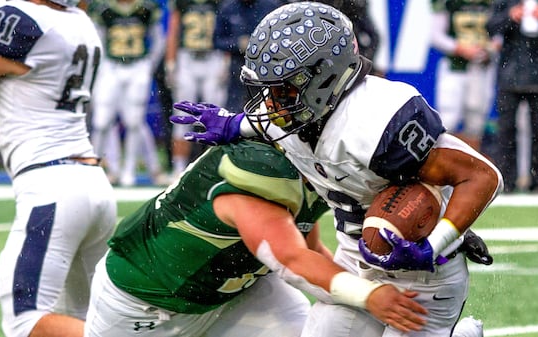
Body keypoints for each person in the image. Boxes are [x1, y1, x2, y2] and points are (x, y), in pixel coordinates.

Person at [171, 2, 503, 336]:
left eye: (282, 88)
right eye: (267, 90)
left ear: (323, 77)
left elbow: (481, 176)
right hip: (357, 258)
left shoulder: (376, 118)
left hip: (426, 271)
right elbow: (267, 123)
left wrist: (435, 242)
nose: (271, 104)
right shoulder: (296, 112)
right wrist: (231, 124)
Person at [83, 138, 428, 337]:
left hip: (236, 295)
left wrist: (374, 296)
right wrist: (369, 295)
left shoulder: (312, 166)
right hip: (145, 304)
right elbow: (293, 260)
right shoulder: (261, 175)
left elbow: (310, 248)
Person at [0, 0, 117, 336]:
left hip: (52, 188)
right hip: (91, 184)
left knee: (25, 320)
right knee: (88, 319)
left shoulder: (21, 19)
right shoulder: (80, 21)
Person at [486, 0, 538, 193]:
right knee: (506, 131)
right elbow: (490, 27)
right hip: (510, 75)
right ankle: (507, 181)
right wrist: (510, 16)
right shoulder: (506, 2)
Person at [88, 0, 165, 186]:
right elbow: (96, 41)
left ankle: (128, 171)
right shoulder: (103, 8)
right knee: (102, 121)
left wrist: (149, 65)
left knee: (134, 122)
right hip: (111, 66)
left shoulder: (146, 8)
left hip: (137, 65)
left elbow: (159, 39)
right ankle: (94, 170)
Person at [165, 0, 228, 178]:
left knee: (216, 117)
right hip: (187, 58)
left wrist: (225, 60)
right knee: (182, 115)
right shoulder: (182, 3)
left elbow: (226, 27)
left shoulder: (218, 3)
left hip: (213, 57)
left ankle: (214, 167)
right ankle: (178, 168)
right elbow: (173, 31)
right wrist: (170, 62)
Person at [430, 0, 497, 151]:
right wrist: (459, 48)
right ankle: (444, 167)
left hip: (481, 68)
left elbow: (500, 32)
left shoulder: (491, 4)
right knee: (448, 120)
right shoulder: (448, 3)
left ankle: (470, 167)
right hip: (455, 66)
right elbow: (435, 35)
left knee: (476, 121)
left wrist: (490, 48)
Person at [213, 0, 282, 114]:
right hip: (238, 66)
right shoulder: (228, 7)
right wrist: (237, 44)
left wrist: (263, 45)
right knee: (234, 110)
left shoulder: (271, 6)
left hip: (266, 67)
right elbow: (216, 41)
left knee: (266, 111)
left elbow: (282, 39)